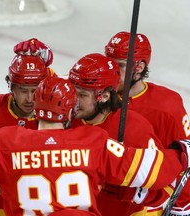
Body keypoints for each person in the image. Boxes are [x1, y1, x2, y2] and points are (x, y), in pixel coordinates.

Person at [0, 77, 188, 216]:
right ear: (69, 111)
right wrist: (182, 152)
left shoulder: (7, 141)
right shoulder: (93, 143)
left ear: (36, 108)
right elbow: (153, 170)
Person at [67, 53, 170, 215]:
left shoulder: (134, 128)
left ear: (105, 96)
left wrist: (131, 193)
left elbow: (165, 186)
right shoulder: (69, 117)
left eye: (82, 95)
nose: (74, 100)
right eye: (72, 92)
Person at [104, 31, 190, 215]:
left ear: (139, 67)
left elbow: (184, 158)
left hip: (144, 206)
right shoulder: (98, 99)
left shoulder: (167, 106)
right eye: (108, 63)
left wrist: (182, 207)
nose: (112, 71)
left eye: (120, 65)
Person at [0, 51, 56, 215]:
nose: (30, 99)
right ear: (11, 86)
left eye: (35, 90)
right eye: (24, 91)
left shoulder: (54, 117)